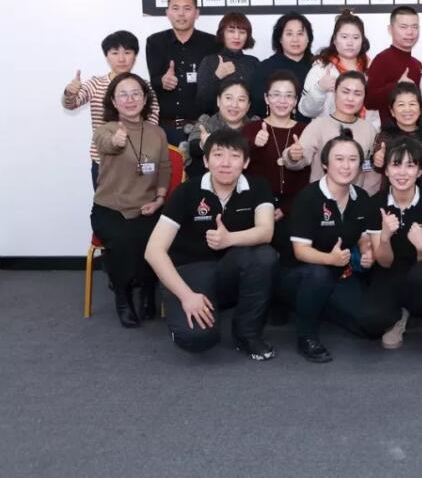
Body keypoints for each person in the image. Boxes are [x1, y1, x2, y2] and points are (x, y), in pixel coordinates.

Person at [144, 128, 279, 360]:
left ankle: (247, 334)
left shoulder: (258, 186)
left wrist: (229, 239)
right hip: (190, 272)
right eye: (218, 155)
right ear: (206, 161)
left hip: (229, 269)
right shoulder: (187, 191)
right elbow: (153, 251)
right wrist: (187, 296)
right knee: (197, 339)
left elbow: (266, 232)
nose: (225, 163)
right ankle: (190, 312)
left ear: (246, 162)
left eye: (234, 156)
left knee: (265, 255)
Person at [361, 138, 422, 366]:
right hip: (389, 273)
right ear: (386, 170)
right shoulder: (375, 204)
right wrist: (385, 237)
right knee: (370, 322)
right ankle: (399, 315)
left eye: (410, 165)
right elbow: (384, 262)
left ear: (420, 171)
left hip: (420, 273)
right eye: (396, 165)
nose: (402, 172)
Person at [282, 132, 375, 362]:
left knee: (370, 325)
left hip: (340, 275)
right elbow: (300, 251)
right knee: (319, 275)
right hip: (299, 273)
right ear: (325, 164)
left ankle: (318, 305)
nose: (346, 166)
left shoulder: (362, 198)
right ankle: (306, 336)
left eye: (352, 159)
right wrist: (330, 259)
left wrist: (367, 251)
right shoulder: (308, 197)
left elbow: (363, 236)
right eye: (339, 159)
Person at [90, 73, 170, 327]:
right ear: (114, 102)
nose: (130, 99)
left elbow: (164, 168)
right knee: (124, 240)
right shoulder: (105, 130)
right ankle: (123, 296)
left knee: (155, 237)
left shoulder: (157, 133)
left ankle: (147, 289)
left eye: (136, 93)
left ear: (145, 98)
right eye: (123, 95)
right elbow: (107, 144)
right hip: (110, 208)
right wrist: (117, 141)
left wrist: (159, 199)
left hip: (148, 206)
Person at [63, 30, 160, 188]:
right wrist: (69, 93)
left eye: (127, 52)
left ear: (135, 56)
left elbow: (152, 122)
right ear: (106, 56)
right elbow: (71, 104)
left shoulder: (144, 86)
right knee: (104, 203)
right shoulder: (96, 84)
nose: (121, 59)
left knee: (139, 203)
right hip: (103, 162)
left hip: (135, 162)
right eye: (115, 53)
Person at [242, 70, 310, 263]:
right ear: (266, 98)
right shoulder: (252, 128)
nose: (282, 101)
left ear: (296, 101)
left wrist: (286, 209)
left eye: (289, 95)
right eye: (276, 94)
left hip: (293, 209)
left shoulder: (304, 130)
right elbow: (240, 170)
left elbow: (308, 176)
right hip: (255, 207)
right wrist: (254, 144)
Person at [145, 0, 219, 146]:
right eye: (175, 8)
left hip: (203, 128)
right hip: (166, 128)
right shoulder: (155, 42)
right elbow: (154, 80)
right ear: (167, 13)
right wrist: (163, 81)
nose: (181, 14)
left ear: (196, 13)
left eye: (187, 8)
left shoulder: (212, 43)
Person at [285, 71, 380, 192]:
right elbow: (299, 160)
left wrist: (365, 197)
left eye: (357, 94)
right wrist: (293, 156)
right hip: (320, 198)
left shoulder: (369, 130)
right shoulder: (318, 125)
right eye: (345, 92)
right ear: (335, 93)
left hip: (356, 199)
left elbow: (370, 169)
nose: (350, 98)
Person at [299, 9, 370, 120]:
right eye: (344, 37)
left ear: (362, 41)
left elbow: (376, 114)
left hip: (365, 130)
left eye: (356, 37)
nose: (350, 43)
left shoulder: (371, 69)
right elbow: (306, 111)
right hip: (328, 130)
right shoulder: (321, 69)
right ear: (335, 40)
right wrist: (320, 88)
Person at [370, 83, 422, 193]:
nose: (407, 109)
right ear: (392, 111)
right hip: (391, 196)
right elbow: (378, 165)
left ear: (420, 109)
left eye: (412, 104)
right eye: (401, 104)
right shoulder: (384, 136)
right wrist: (377, 160)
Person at [365, 6, 422, 127]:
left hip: (416, 132)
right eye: (403, 27)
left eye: (414, 27)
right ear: (390, 29)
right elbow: (369, 101)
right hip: (390, 133)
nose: (410, 32)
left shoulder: (418, 64)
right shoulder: (382, 60)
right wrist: (397, 85)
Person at [186, 78, 254, 179]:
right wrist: (204, 144)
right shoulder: (206, 122)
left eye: (241, 100)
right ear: (218, 101)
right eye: (228, 98)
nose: (234, 104)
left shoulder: (255, 127)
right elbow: (193, 148)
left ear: (248, 106)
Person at [196, 12, 262, 116]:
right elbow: (202, 104)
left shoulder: (253, 62)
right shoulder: (209, 61)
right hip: (217, 122)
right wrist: (217, 77)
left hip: (247, 122)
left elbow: (259, 101)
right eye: (231, 31)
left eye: (242, 32)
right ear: (222, 34)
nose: (237, 36)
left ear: (247, 36)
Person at [257, 12, 315, 121]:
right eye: (289, 34)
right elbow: (258, 105)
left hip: (314, 128)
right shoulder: (265, 68)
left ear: (308, 38)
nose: (295, 39)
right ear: (280, 38)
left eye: (300, 34)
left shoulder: (318, 66)